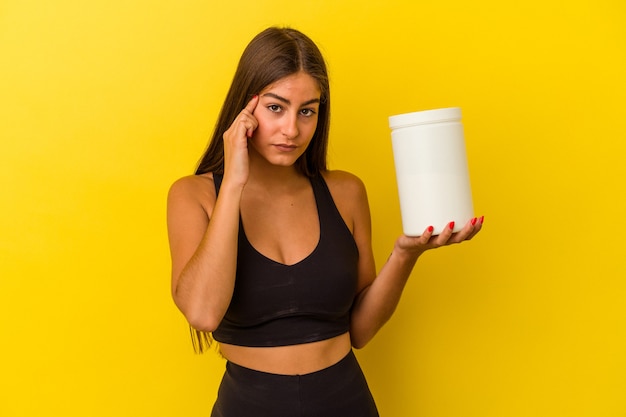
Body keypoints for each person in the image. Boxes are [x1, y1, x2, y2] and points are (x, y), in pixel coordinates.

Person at [167, 26, 483, 417]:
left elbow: (361, 331)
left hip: (346, 400)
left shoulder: (345, 192)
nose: (292, 130)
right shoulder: (194, 195)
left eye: (307, 111)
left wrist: (405, 254)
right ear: (244, 110)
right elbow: (202, 313)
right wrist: (233, 182)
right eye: (275, 107)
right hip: (249, 405)